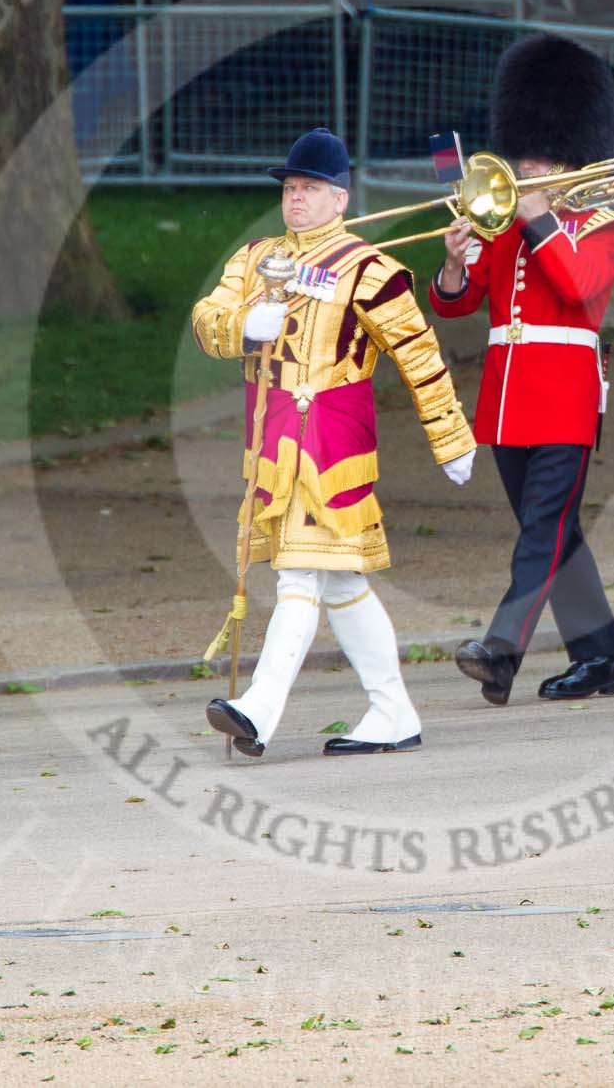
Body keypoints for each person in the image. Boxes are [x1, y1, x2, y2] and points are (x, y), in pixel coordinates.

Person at [192, 128, 476, 757]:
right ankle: (393, 711)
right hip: (271, 442)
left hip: (333, 444)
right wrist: (244, 325)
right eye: (291, 187)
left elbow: (419, 353)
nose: (296, 198)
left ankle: (258, 711)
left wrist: (451, 435)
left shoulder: (369, 269)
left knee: (298, 571)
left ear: (340, 200)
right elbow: (206, 321)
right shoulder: (254, 258)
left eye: (310, 188)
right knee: (341, 585)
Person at [433, 34, 614, 706]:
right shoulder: (503, 223)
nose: (529, 165)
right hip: (507, 396)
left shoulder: (603, 222)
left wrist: (542, 219)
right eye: (526, 152)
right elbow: (459, 302)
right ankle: (600, 655)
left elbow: (583, 290)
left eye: (542, 154)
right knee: (554, 535)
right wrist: (458, 260)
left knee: (544, 531)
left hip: (566, 397)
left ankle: (502, 648)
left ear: (573, 154)